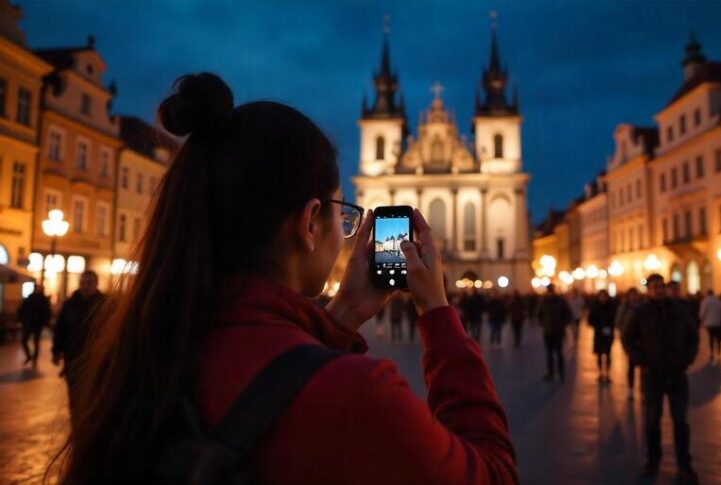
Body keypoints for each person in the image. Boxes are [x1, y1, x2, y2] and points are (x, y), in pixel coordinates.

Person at [53, 73, 517, 483]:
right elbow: (493, 474)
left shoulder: (135, 356)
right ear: (310, 222)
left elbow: (271, 367)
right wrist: (437, 314)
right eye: (344, 213)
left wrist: (343, 315)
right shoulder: (360, 393)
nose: (348, 230)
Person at [622, 274, 699, 483]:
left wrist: (688, 358)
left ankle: (684, 464)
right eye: (654, 287)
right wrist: (641, 360)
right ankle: (653, 460)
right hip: (652, 374)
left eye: (660, 287)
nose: (658, 290)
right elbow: (627, 338)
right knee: (652, 420)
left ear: (665, 288)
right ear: (648, 291)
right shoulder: (639, 312)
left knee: (680, 421)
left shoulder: (679, 310)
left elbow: (693, 335)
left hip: (677, 373)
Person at [51, 270, 105, 415]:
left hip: (95, 360)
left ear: (96, 284)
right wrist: (56, 351)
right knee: (74, 396)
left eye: (89, 283)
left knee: (92, 396)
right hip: (73, 358)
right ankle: (77, 425)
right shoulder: (70, 304)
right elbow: (60, 329)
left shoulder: (104, 305)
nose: (85, 286)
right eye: (82, 282)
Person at [538, 284, 573, 382]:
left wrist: (562, 324)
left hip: (556, 330)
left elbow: (568, 314)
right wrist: (543, 323)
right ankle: (552, 372)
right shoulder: (546, 301)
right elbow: (539, 314)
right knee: (550, 353)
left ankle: (559, 372)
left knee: (557, 353)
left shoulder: (558, 301)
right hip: (550, 330)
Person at [615, 287, 642, 400]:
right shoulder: (624, 308)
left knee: (642, 365)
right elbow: (618, 322)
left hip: (641, 339)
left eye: (635, 295)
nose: (633, 297)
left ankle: (643, 389)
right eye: (631, 295)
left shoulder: (643, 307)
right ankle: (630, 389)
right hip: (628, 339)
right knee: (631, 364)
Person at [16, 283, 51, 368]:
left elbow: (47, 312)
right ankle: (29, 356)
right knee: (24, 341)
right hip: (28, 323)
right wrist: (21, 319)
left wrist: (44, 322)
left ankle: (34, 359)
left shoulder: (43, 299)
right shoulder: (29, 298)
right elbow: (22, 309)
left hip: (37, 325)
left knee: (36, 343)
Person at [588, 290, 617, 383]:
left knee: (608, 353)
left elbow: (615, 319)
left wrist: (609, 327)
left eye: (604, 296)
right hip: (599, 333)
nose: (603, 298)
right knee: (599, 354)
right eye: (601, 296)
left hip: (608, 333)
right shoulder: (595, 307)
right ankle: (601, 373)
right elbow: (590, 320)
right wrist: (598, 325)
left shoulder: (611, 307)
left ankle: (607, 373)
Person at [699, 290, 721, 365]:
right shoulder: (717, 300)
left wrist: (701, 320)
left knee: (711, 338)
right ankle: (719, 353)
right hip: (718, 322)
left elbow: (702, 312)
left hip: (709, 323)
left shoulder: (705, 301)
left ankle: (711, 353)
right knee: (718, 339)